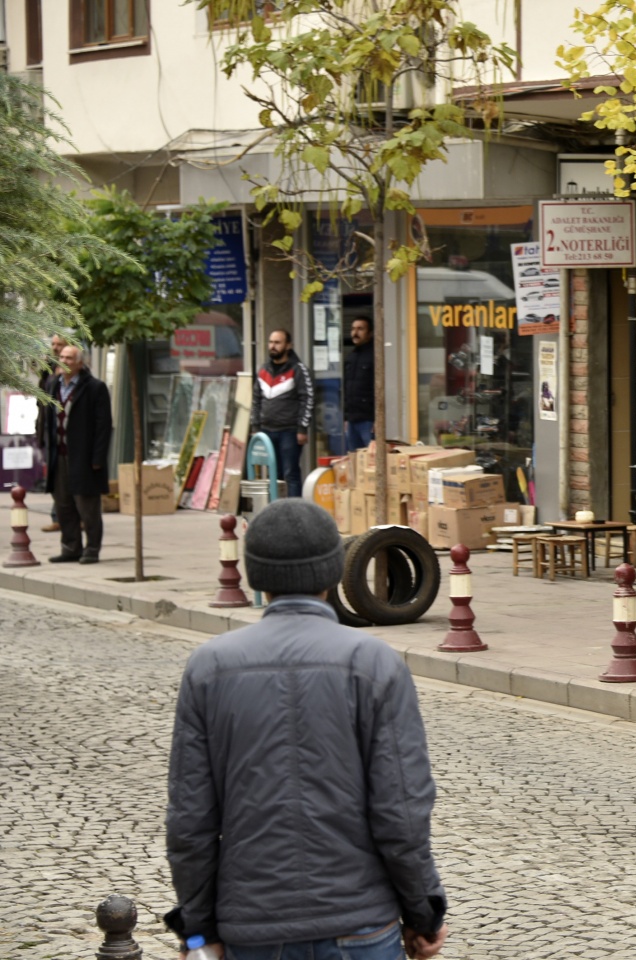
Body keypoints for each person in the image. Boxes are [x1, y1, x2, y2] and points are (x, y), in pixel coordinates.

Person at [165, 499, 449, 960]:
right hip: (359, 922)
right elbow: (401, 811)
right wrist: (422, 915)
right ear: (334, 571)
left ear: (255, 574)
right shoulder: (373, 663)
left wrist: (197, 934)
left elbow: (190, 822)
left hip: (252, 927)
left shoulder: (209, 667)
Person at [43, 344, 112, 565]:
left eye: (70, 358)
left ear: (80, 363)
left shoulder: (95, 388)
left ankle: (92, 549)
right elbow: (45, 418)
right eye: (62, 357)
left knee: (87, 506)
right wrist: (44, 446)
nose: (64, 361)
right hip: (58, 455)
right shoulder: (53, 385)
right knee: (63, 505)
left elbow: (103, 426)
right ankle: (71, 547)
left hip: (84, 457)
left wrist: (98, 458)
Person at [253, 329, 313, 497]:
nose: (272, 346)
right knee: (274, 475)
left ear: (288, 346)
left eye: (277, 343)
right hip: (267, 431)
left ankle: (295, 512)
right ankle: (276, 512)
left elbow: (307, 399)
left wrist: (302, 428)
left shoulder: (298, 369)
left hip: (290, 431)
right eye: (271, 342)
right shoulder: (263, 370)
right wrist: (255, 427)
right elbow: (256, 399)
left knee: (290, 473)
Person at [38, 333, 67, 533]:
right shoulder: (47, 371)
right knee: (55, 476)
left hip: (67, 433)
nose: (55, 348)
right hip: (49, 430)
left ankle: (64, 517)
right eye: (53, 344)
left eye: (59, 344)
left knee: (65, 477)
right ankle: (59, 517)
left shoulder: (73, 372)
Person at [343, 316, 376, 453]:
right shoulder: (351, 356)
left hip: (368, 421)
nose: (355, 333)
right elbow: (347, 389)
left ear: (370, 333)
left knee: (371, 461)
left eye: (360, 329)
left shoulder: (375, 355)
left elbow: (379, 389)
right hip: (352, 421)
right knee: (354, 461)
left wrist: (377, 420)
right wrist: (346, 418)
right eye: (353, 329)